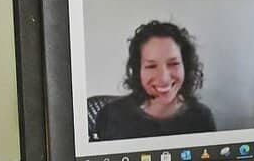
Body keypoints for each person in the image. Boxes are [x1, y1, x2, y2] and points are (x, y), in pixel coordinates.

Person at [91, 20, 219, 139]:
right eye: (151, 66)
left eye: (173, 64)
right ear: (138, 70)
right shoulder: (110, 116)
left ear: (186, 66)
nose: (163, 78)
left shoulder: (201, 117)